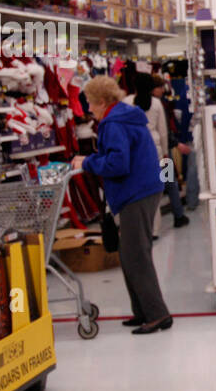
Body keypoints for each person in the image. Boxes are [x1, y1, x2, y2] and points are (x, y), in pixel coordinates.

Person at [72, 76, 173, 335]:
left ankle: (157, 314)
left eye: (91, 103)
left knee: (135, 256)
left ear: (103, 102)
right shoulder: (126, 117)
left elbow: (118, 164)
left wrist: (87, 163)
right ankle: (142, 311)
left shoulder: (114, 124)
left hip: (135, 192)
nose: (88, 109)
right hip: (144, 187)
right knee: (132, 254)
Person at [127, 74, 189, 230]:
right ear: (151, 88)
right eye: (160, 87)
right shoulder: (156, 104)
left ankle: (149, 225)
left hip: (136, 151)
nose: (163, 89)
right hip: (159, 150)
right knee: (170, 182)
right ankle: (178, 216)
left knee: (144, 188)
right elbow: (163, 131)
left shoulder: (127, 102)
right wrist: (166, 152)